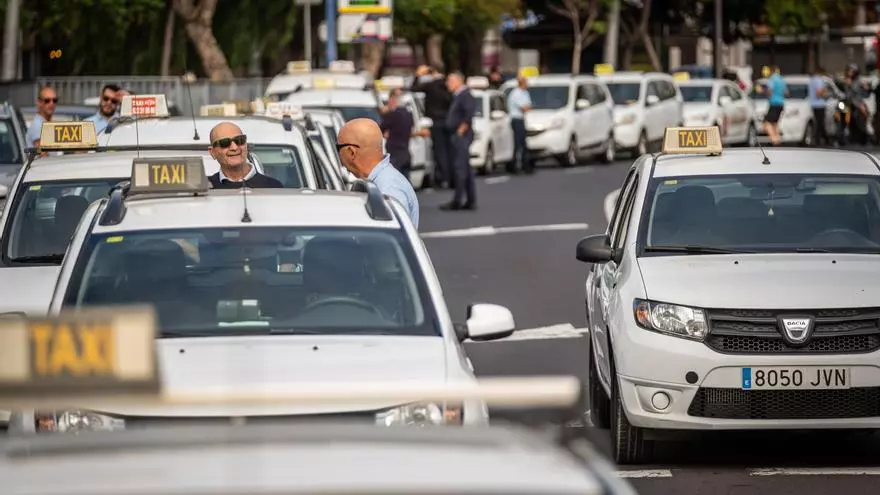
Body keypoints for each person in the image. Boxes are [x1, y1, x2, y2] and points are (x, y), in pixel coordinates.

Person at [337, 118, 419, 227]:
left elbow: (388, 239)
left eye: (338, 147)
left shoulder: (388, 189)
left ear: (352, 152)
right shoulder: (383, 183)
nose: (337, 154)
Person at [411, 64, 453, 188]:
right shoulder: (448, 85)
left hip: (436, 121)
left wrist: (418, 75)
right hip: (449, 121)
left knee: (439, 151)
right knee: (449, 150)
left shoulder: (431, 85)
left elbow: (414, 88)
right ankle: (450, 177)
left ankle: (443, 178)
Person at [207, 121, 283, 189]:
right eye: (224, 143)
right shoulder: (205, 189)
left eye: (239, 140)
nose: (234, 148)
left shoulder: (273, 187)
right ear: (213, 152)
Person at [442, 72, 477, 211]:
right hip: (458, 134)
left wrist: (460, 130)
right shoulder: (458, 96)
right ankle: (470, 199)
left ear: (458, 82)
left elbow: (468, 114)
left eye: (450, 81)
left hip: (461, 136)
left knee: (460, 168)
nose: (447, 84)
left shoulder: (465, 95)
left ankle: (457, 200)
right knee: (466, 169)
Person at [379, 88, 415, 180]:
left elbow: (380, 129)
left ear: (392, 99)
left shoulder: (393, 115)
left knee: (394, 181)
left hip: (395, 154)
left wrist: (385, 113)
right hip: (406, 153)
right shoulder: (408, 114)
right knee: (406, 182)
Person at [507, 75, 532, 174]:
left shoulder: (525, 93)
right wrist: (526, 108)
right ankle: (514, 165)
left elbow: (529, 106)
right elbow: (524, 108)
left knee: (523, 143)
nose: (527, 84)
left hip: (522, 119)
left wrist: (527, 108)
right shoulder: (516, 94)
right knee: (518, 144)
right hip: (516, 119)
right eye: (526, 82)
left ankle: (526, 165)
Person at [26, 86, 58, 154]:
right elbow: (43, 155)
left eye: (54, 100)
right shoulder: (37, 125)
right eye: (47, 101)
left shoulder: (47, 124)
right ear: (39, 103)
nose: (51, 103)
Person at [760, 66, 786, 146]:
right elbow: (786, 92)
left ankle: (774, 140)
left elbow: (769, 91)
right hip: (781, 103)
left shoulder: (772, 79)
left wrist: (764, 91)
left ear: (771, 71)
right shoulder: (781, 79)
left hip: (774, 103)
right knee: (775, 123)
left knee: (766, 123)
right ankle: (777, 139)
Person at [808, 67, 830, 147]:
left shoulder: (812, 80)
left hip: (813, 104)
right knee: (820, 122)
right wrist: (825, 93)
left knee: (819, 122)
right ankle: (819, 139)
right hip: (820, 104)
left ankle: (823, 139)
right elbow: (819, 92)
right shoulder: (819, 80)